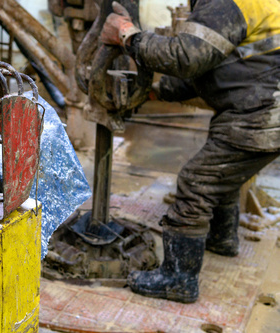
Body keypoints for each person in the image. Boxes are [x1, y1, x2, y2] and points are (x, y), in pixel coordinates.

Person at [100, 0, 280, 303]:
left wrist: (127, 35)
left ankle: (178, 279)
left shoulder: (228, 3)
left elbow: (185, 58)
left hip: (260, 115)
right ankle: (222, 239)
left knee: (197, 182)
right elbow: (216, 67)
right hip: (263, 108)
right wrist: (155, 90)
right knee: (222, 174)